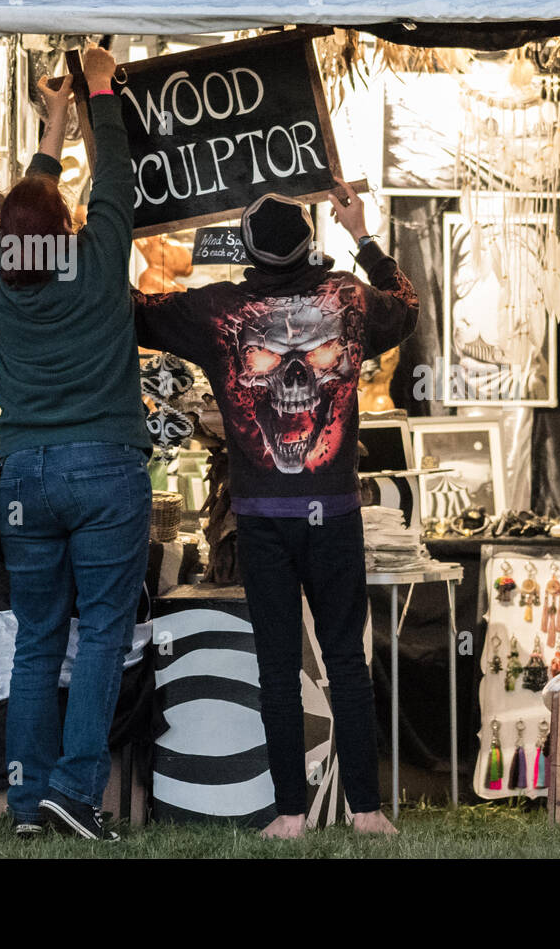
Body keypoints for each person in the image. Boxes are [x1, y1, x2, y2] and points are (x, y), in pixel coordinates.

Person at [133, 183, 416, 837]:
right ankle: (366, 810)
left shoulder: (222, 309)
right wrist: (363, 233)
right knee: (346, 658)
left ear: (251, 250)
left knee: (277, 663)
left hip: (263, 517)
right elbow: (406, 305)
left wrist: (121, 221)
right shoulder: (346, 297)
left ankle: (290, 813)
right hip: (336, 512)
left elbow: (135, 311)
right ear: (309, 242)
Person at [0, 45, 151, 841]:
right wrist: (98, 87)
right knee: (101, 636)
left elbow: (28, 209)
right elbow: (115, 174)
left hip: (23, 475)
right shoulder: (97, 255)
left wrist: (56, 117)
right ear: (65, 221)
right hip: (105, 464)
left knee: (36, 641)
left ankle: (24, 805)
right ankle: (75, 794)